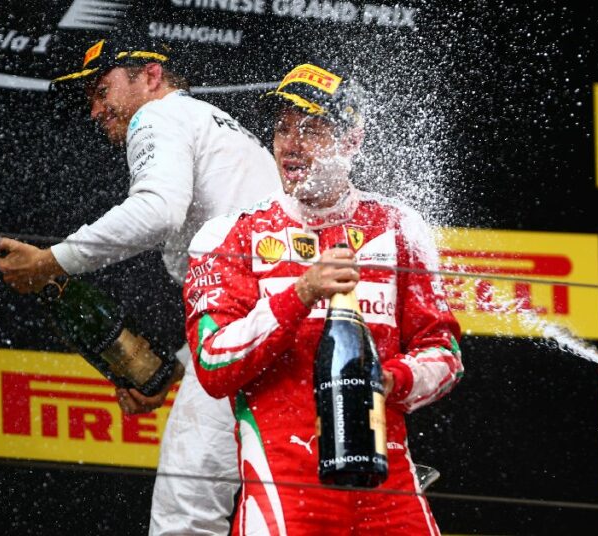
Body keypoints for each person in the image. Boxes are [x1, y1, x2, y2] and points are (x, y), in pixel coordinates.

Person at [0, 36, 281, 535]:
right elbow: (246, 286)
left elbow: (157, 210)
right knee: (287, 497)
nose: (96, 111)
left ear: (150, 76)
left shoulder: (160, 116)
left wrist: (51, 261)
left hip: (254, 321)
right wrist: (179, 370)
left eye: (103, 90)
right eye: (90, 100)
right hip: (274, 323)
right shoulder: (211, 124)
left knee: (184, 513)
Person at [183, 60, 463, 535]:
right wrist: (301, 293)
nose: (291, 144)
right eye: (283, 128)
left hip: (387, 486)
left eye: (311, 129)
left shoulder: (399, 228)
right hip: (285, 489)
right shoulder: (230, 235)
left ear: (351, 142)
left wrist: (388, 380)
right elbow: (212, 365)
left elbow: (446, 355)